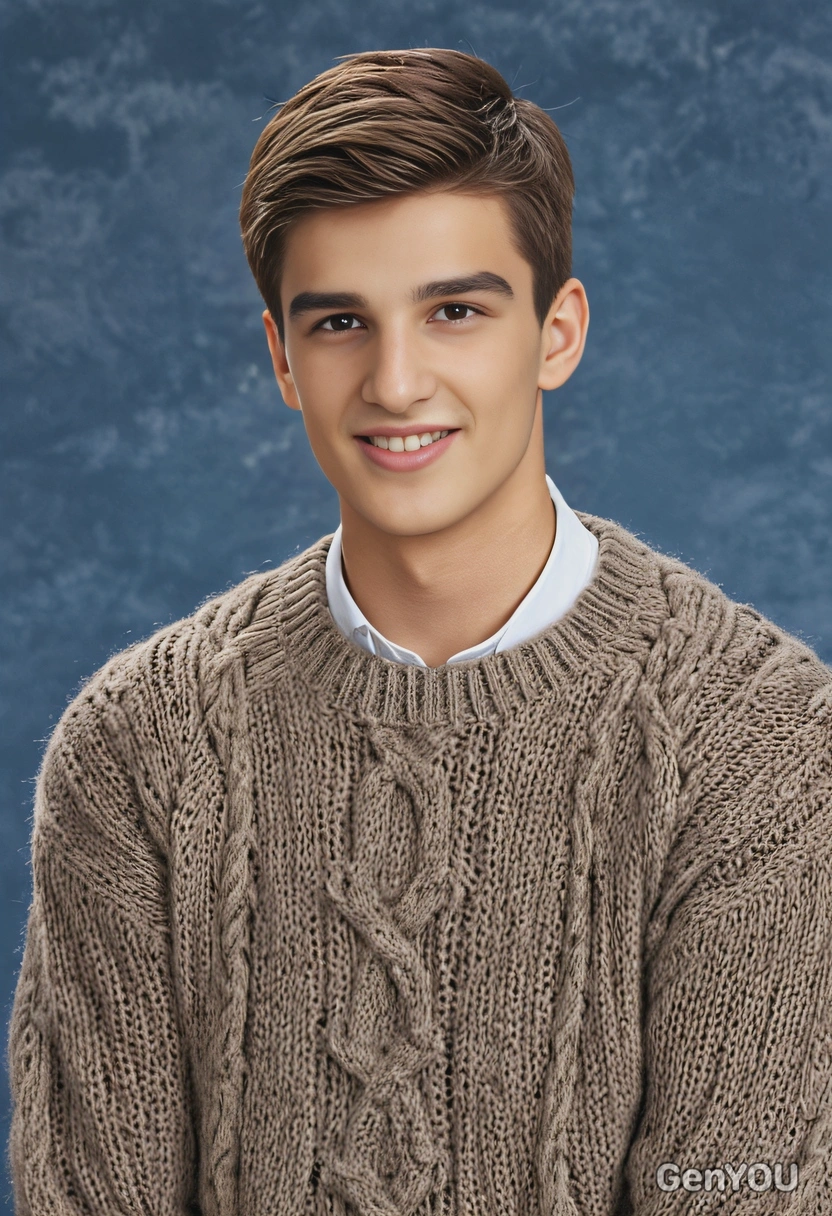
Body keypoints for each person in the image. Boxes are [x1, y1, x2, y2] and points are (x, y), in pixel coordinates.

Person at [7, 47, 831, 1216]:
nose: (395, 382)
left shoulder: (758, 742)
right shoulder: (138, 750)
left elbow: (739, 1190)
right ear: (282, 359)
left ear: (556, 333)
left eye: (454, 311)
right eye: (341, 322)